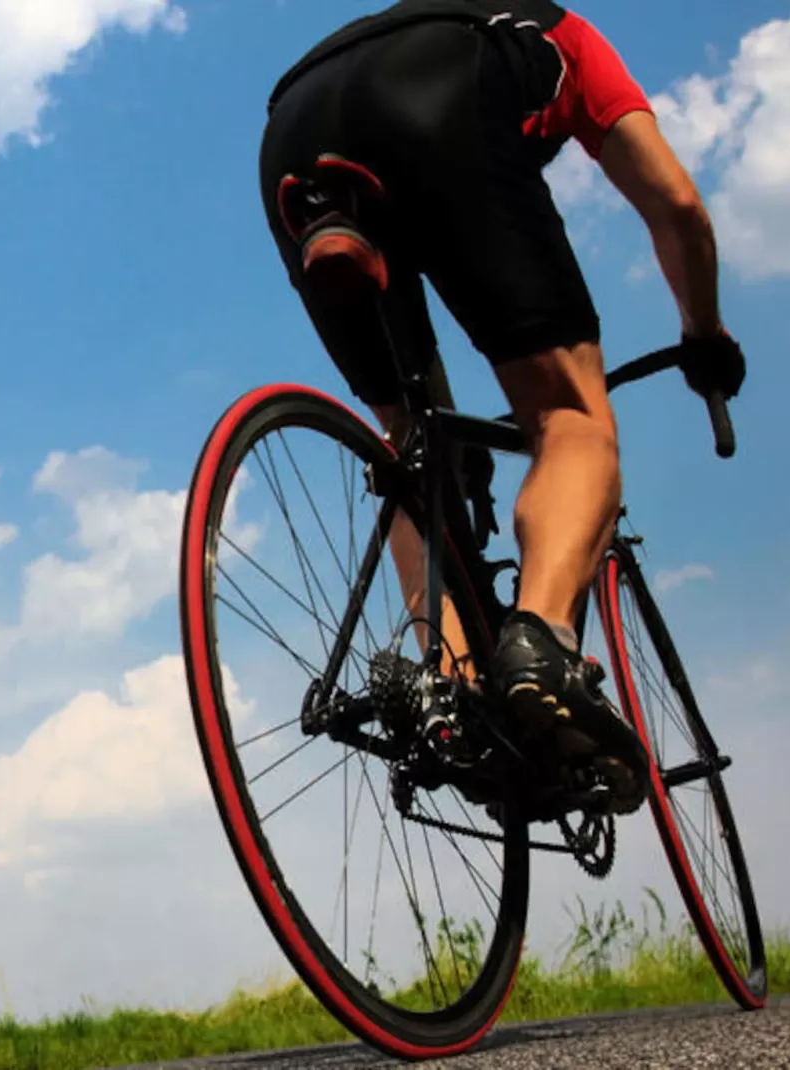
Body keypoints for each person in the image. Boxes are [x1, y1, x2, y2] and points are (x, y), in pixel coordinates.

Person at [258, 0, 747, 811]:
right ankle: (540, 647)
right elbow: (679, 210)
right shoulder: (561, 31)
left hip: (292, 129)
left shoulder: (401, 18)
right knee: (571, 418)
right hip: (439, 92)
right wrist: (704, 335)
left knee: (411, 448)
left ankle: (444, 691)